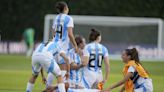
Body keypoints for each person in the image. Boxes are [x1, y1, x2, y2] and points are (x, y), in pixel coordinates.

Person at [46, 1, 78, 90]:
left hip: (54, 45)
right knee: (63, 69)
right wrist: (75, 45)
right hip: (63, 47)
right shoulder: (69, 18)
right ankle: (61, 89)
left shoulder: (56, 18)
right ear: (65, 8)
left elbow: (53, 32)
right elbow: (70, 34)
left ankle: (47, 87)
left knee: (53, 68)